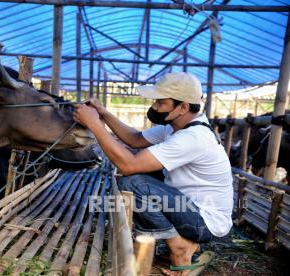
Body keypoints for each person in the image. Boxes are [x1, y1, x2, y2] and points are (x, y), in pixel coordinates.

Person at [73, 72, 233, 276]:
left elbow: (128, 165)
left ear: (183, 107)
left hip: (204, 221)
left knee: (133, 183)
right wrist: (103, 113)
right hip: (191, 208)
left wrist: (95, 125)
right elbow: (135, 139)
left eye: (161, 102)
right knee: (149, 167)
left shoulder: (193, 137)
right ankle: (186, 241)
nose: (155, 107)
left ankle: (179, 246)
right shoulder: (175, 126)